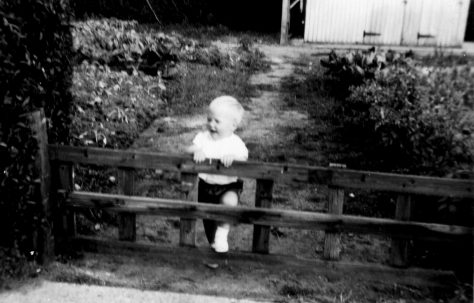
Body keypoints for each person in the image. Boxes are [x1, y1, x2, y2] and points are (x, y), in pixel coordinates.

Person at [186, 96, 248, 253]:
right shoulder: (203, 138)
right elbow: (189, 149)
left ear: (233, 126)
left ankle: (223, 232)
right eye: (209, 119)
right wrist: (196, 151)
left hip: (229, 185)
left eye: (217, 121)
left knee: (229, 203)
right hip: (206, 186)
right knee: (209, 220)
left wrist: (233, 158)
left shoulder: (235, 143)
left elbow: (244, 157)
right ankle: (214, 246)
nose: (211, 125)